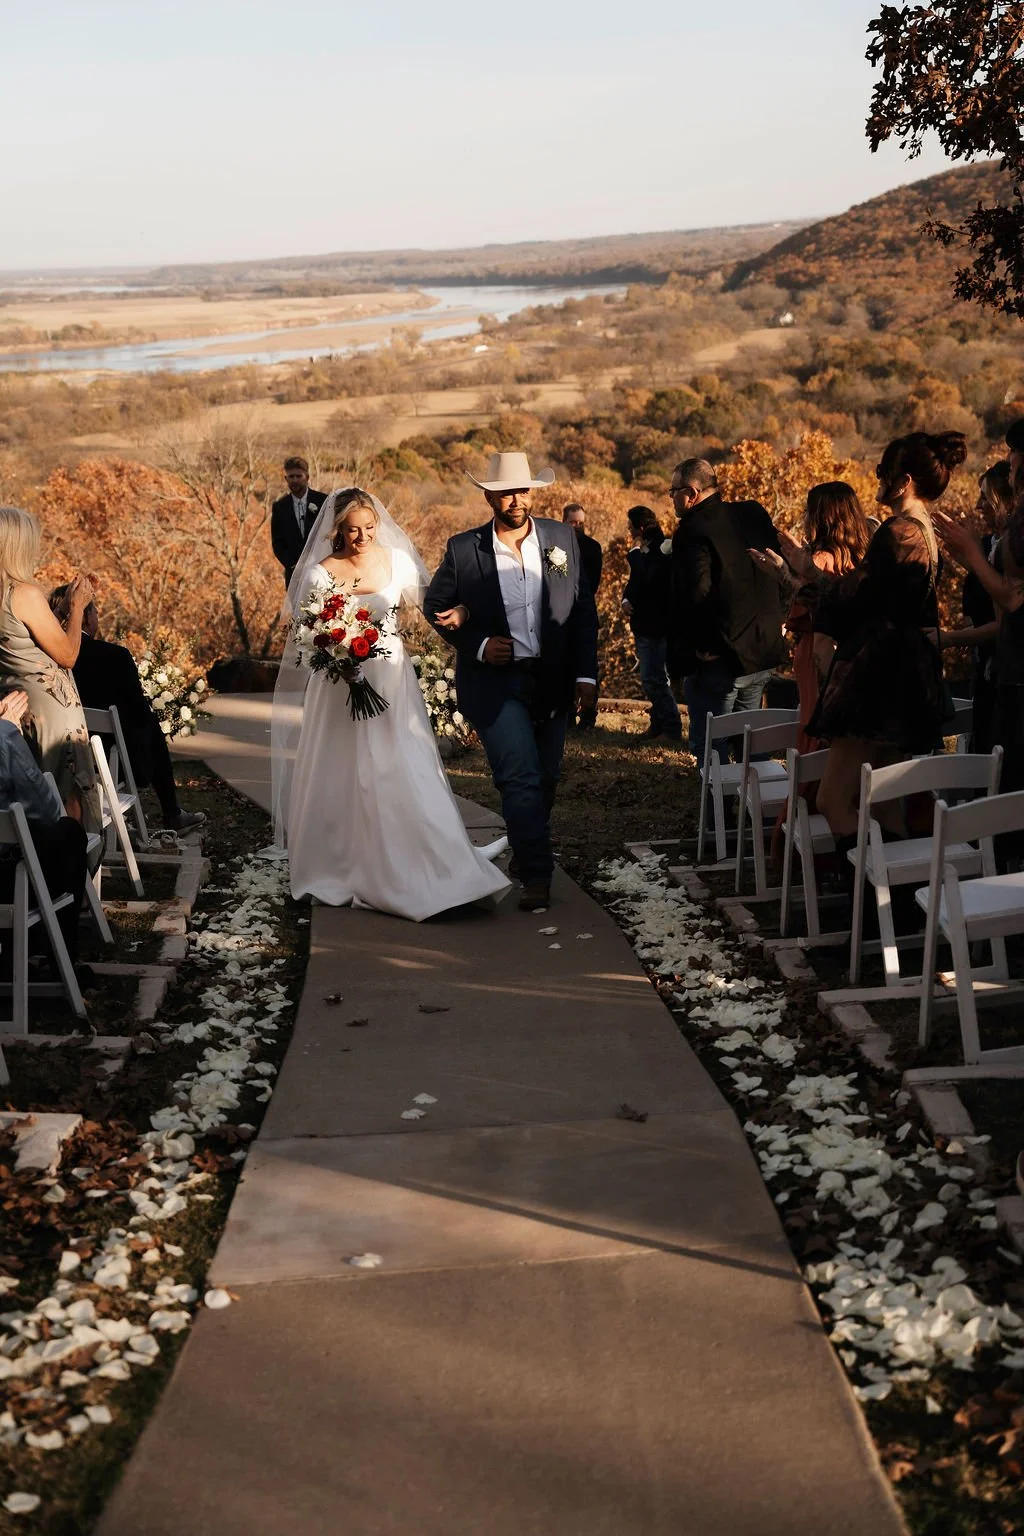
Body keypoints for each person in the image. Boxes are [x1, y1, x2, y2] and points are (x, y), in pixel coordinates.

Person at [271, 487, 510, 919]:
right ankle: (347, 863)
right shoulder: (319, 574)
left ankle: (432, 855)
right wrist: (338, 660)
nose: (362, 536)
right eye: (352, 529)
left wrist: (466, 615)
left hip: (392, 680)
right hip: (339, 687)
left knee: (404, 764)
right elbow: (307, 636)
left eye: (368, 527)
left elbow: (434, 606)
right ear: (337, 531)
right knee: (346, 771)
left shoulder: (397, 562)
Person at [425, 452, 598, 911]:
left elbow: (581, 609)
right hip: (496, 684)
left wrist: (586, 674)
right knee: (519, 777)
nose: (516, 500)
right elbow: (437, 606)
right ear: (489, 496)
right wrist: (479, 643)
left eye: (522, 491)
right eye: (505, 493)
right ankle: (537, 876)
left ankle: (525, 849)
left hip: (553, 679)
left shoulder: (561, 539)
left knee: (546, 777)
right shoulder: (465, 549)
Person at [807, 431, 967, 842]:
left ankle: (874, 895)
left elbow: (854, 598)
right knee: (882, 801)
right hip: (906, 678)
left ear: (905, 480)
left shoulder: (898, 531)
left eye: (884, 471)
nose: (877, 479)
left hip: (876, 682)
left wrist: (804, 575)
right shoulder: (924, 530)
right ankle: (896, 900)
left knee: (833, 801)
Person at [49, 586, 206, 835]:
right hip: (113, 762)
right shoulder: (115, 656)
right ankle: (172, 813)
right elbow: (139, 712)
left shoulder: (45, 659)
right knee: (151, 725)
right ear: (87, 616)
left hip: (59, 757)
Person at [668, 458, 787, 763]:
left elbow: (695, 594)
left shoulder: (692, 531)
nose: (670, 497)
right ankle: (756, 808)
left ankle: (718, 809)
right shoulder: (753, 513)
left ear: (692, 492)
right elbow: (778, 568)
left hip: (721, 658)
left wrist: (700, 647)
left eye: (673, 491)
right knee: (751, 743)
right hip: (762, 649)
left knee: (712, 745)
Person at [0, 506, 100, 836]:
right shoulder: (24, 593)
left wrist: (59, 613)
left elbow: (27, 646)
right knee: (67, 794)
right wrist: (77, 606)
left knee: (34, 794)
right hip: (52, 710)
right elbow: (68, 655)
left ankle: (36, 879)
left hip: (18, 710)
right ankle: (74, 876)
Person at [0, 688, 88, 963]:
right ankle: (60, 959)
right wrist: (9, 730)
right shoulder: (3, 737)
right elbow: (47, 810)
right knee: (68, 833)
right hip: (7, 885)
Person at [935, 461, 1014, 752]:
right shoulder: (986, 545)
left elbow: (1007, 616)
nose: (979, 506)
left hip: (1005, 678)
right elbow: (979, 603)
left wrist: (952, 639)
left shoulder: (1011, 550)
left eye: (985, 498)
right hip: (984, 676)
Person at [621, 505, 681, 742]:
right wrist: (627, 598)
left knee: (653, 678)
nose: (628, 529)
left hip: (656, 625)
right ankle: (657, 725)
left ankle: (671, 727)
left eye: (631, 525)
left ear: (641, 527)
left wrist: (634, 556)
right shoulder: (644, 549)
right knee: (656, 676)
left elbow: (649, 580)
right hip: (643, 623)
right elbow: (635, 581)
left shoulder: (662, 549)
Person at [562, 503, 603, 730]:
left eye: (580, 523)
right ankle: (567, 713)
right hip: (561, 618)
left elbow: (593, 583)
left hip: (584, 613)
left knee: (588, 666)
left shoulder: (593, 548)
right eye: (573, 522)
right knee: (564, 666)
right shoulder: (555, 548)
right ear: (564, 521)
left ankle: (588, 715)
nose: (577, 526)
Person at [270, 456, 329, 588]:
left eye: (298, 476)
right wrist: (293, 565)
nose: (295, 480)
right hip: (295, 576)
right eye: (291, 477)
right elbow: (277, 542)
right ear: (286, 479)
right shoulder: (279, 507)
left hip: (323, 571)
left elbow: (331, 534)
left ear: (307, 477)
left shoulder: (323, 501)